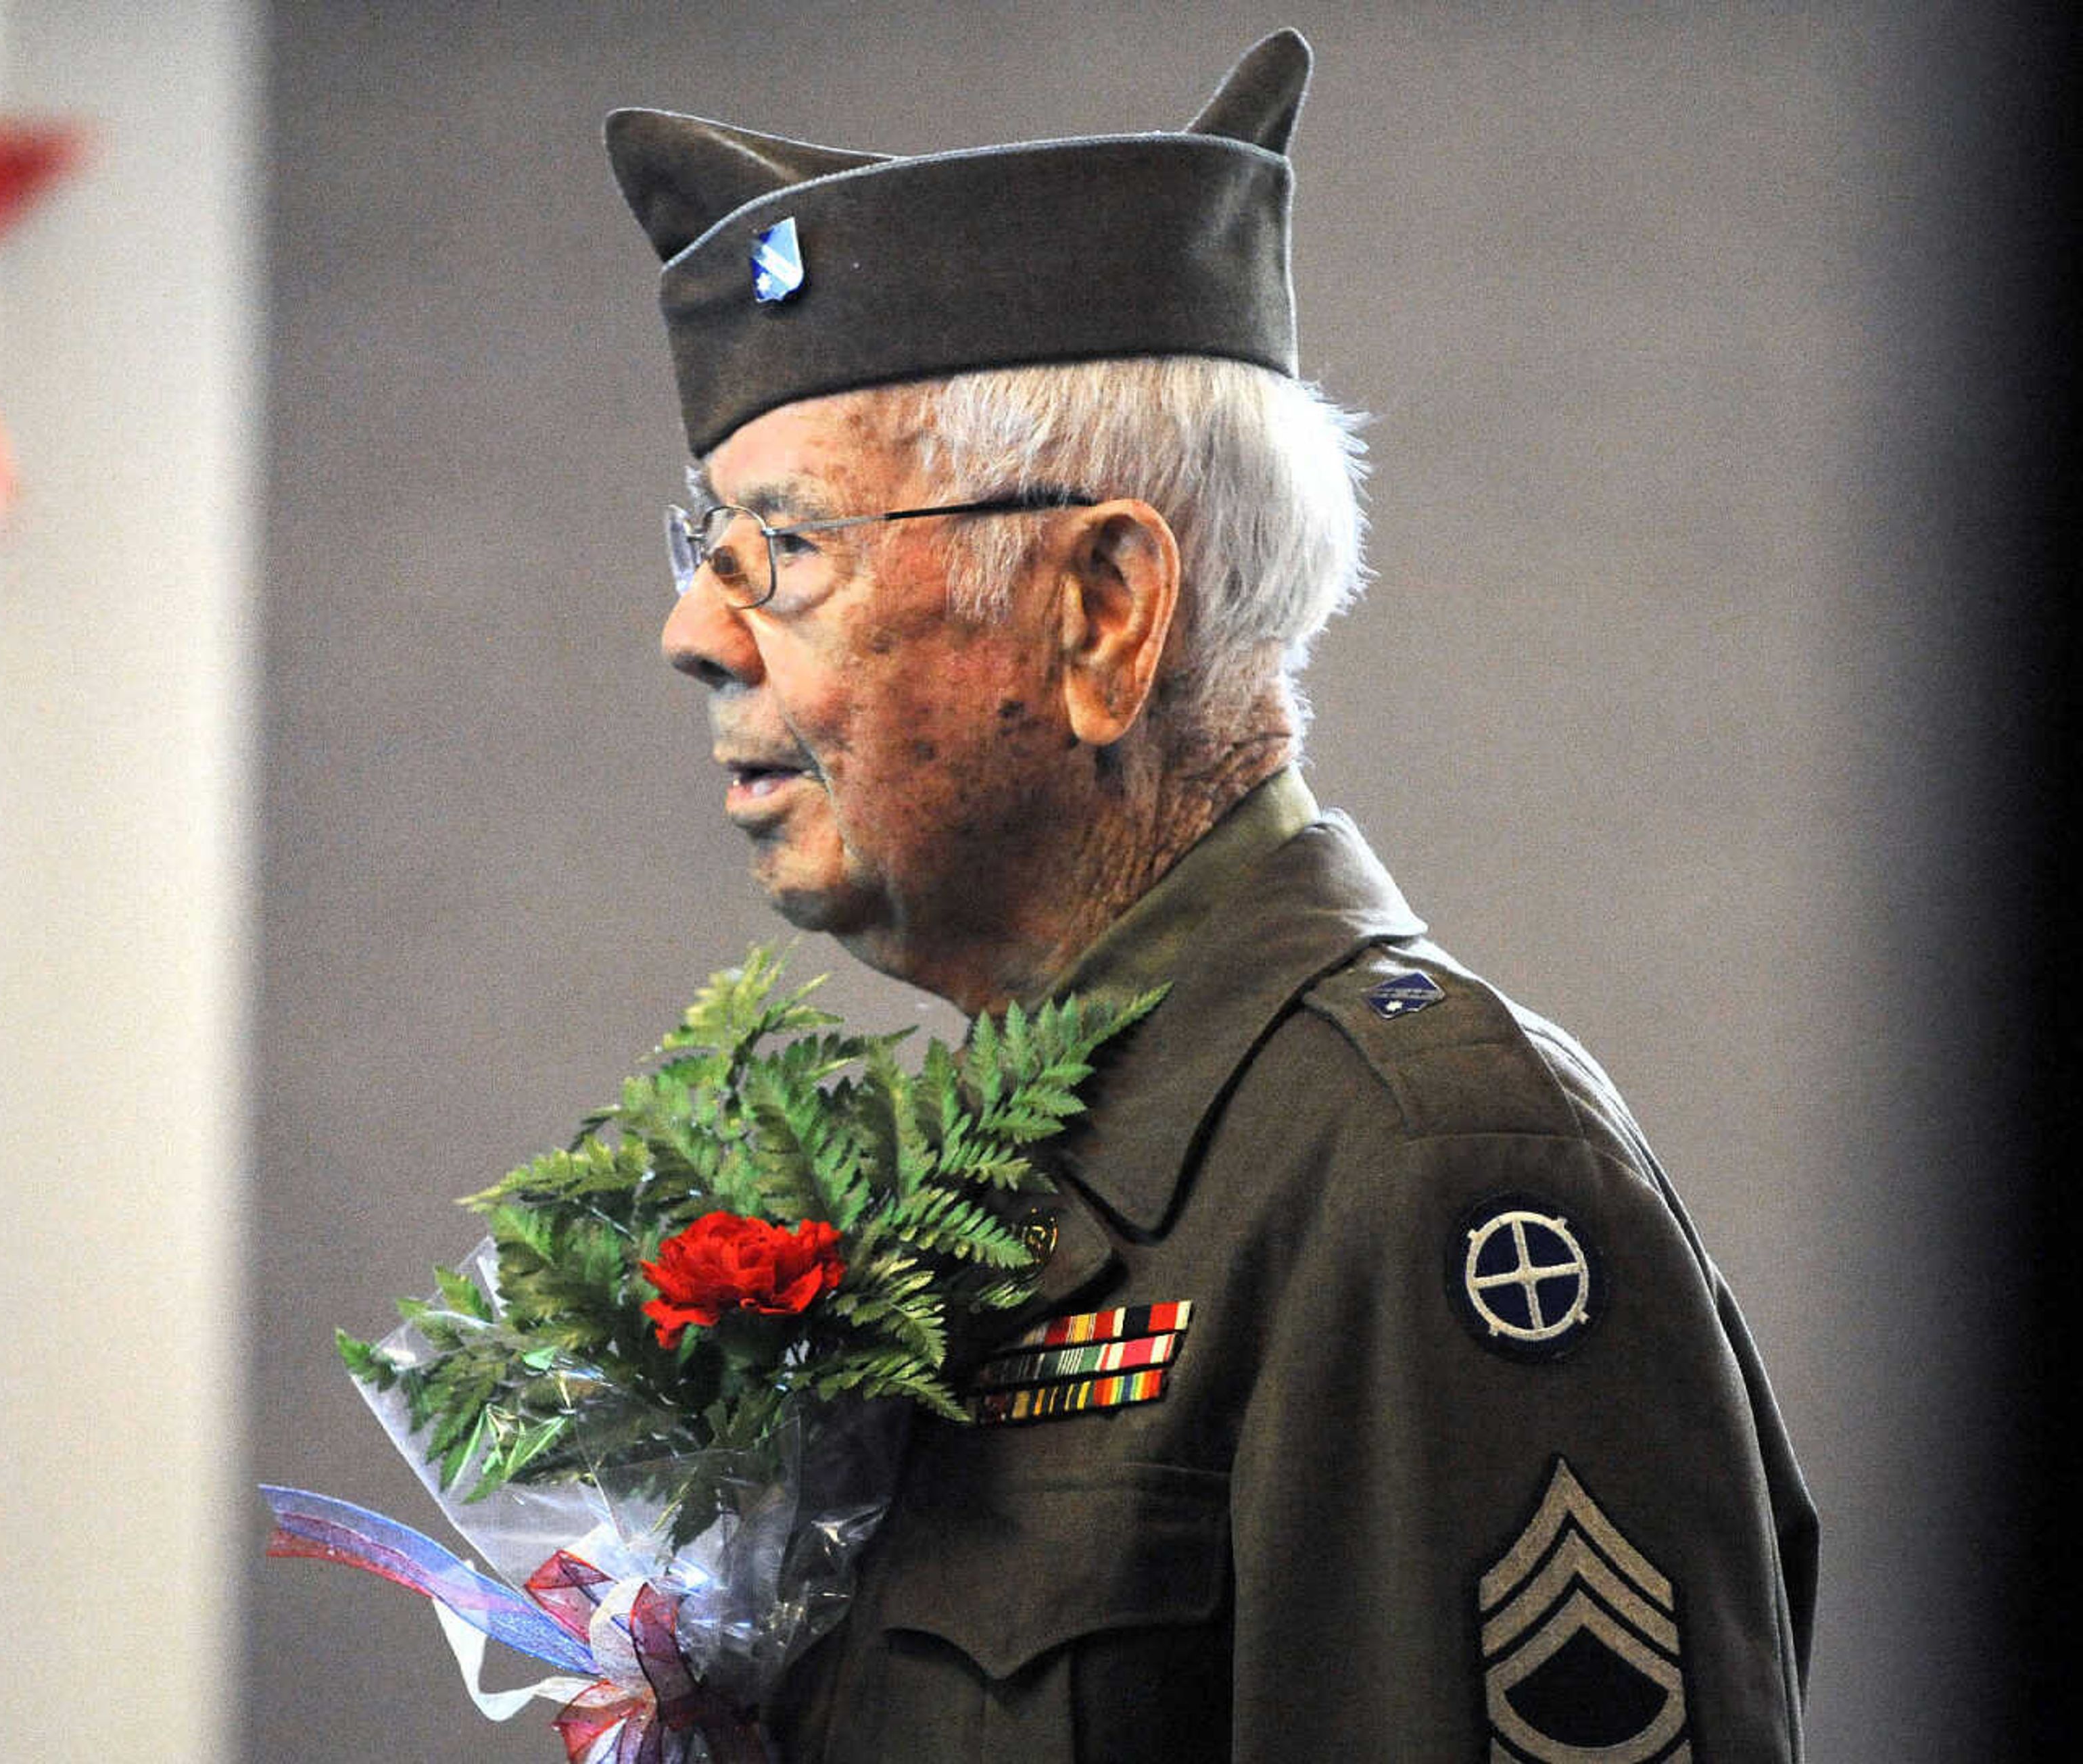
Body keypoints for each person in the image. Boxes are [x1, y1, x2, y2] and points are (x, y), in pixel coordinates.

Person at [606, 24, 1815, 1763]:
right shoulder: (1027, 1160)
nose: (694, 633)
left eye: (783, 550)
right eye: (700, 551)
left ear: (1104, 608)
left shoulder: (1427, 1177)